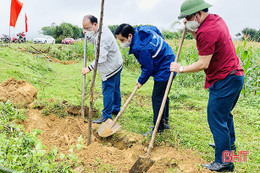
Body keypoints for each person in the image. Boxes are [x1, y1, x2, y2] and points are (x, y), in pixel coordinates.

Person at [171, 0, 244, 172]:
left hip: (224, 79)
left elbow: (203, 63)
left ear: (197, 14)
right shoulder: (215, 19)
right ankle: (229, 148)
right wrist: (191, 29)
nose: (185, 21)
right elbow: (203, 39)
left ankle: (224, 162)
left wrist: (179, 68)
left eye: (188, 17)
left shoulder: (207, 31)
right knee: (225, 115)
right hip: (234, 76)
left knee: (216, 118)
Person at [115, 24, 176, 135]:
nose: (121, 43)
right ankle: (164, 120)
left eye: (122, 40)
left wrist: (141, 81)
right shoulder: (141, 30)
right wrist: (162, 45)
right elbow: (156, 29)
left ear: (129, 35)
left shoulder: (141, 48)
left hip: (165, 67)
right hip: (168, 57)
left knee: (157, 97)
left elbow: (148, 68)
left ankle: (159, 128)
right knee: (163, 94)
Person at [82, 15, 123, 124]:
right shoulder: (98, 30)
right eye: (84, 29)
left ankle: (106, 115)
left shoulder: (104, 36)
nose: (86, 31)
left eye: (87, 28)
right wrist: (88, 35)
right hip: (117, 63)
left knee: (108, 90)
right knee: (115, 88)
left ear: (95, 24)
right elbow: (95, 41)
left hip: (111, 67)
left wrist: (89, 68)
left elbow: (101, 57)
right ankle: (116, 108)